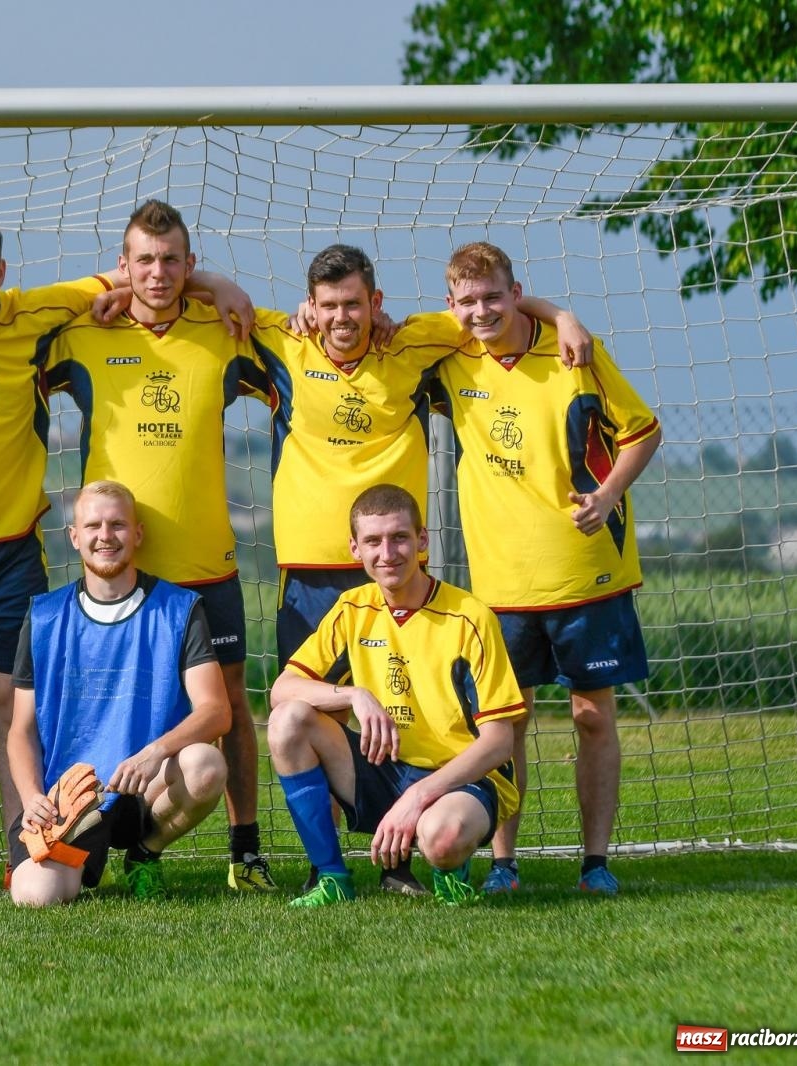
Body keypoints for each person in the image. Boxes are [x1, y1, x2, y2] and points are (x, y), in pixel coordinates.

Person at [0, 209, 252, 895]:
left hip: (8, 550)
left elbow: (142, 276)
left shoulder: (40, 314)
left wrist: (218, 284)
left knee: (11, 708)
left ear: (2, 272)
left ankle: (23, 846)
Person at [251, 244, 592, 895]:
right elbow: (212, 300)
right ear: (312, 307)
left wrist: (562, 317)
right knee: (307, 715)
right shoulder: (283, 342)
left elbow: (489, 310)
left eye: (354, 304)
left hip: (395, 570)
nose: (343, 317)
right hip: (313, 577)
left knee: (419, 704)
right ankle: (331, 871)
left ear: (375, 303)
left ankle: (422, 852)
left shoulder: (414, 342)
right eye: (329, 306)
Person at [42, 199, 279, 892]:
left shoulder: (226, 330)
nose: (158, 272)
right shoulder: (84, 332)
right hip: (117, 574)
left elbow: (313, 337)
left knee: (230, 705)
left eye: (172, 260)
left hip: (205, 564)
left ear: (190, 264)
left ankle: (245, 852)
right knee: (101, 700)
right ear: (122, 265)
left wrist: (220, 288)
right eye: (143, 260)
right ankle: (74, 832)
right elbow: (11, 326)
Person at [430, 241, 662, 896]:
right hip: (501, 583)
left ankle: (595, 863)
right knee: (505, 724)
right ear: (451, 305)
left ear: (516, 293)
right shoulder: (448, 357)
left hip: (587, 570)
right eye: (467, 301)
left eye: (494, 297)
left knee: (593, 716)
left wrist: (608, 495)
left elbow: (643, 430)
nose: (481, 311)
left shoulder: (574, 354)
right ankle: (504, 863)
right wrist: (559, 309)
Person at [268, 484, 527, 906]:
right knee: (287, 721)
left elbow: (500, 742)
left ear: (422, 540)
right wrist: (355, 696)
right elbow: (282, 689)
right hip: (385, 769)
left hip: (460, 778)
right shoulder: (352, 608)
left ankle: (449, 867)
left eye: (399, 538)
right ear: (355, 548)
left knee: (441, 838)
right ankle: (331, 877)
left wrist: (418, 796)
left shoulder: (469, 617)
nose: (387, 553)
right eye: (373, 541)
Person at [7, 480, 230, 905]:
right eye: (93, 526)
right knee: (37, 897)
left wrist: (155, 752)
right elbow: (21, 729)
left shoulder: (179, 609)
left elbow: (217, 712)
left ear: (138, 534)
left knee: (206, 763)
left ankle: (145, 854)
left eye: (117, 525)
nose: (105, 536)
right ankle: (74, 860)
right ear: (74, 537)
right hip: (69, 800)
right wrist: (32, 796)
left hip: (143, 788)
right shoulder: (44, 616)